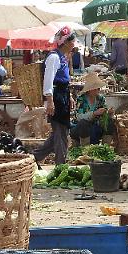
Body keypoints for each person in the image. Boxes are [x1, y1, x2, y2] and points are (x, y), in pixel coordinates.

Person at [34, 26, 75, 166]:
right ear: (66, 42)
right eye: (73, 41)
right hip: (56, 98)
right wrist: (50, 101)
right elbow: (49, 80)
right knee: (61, 133)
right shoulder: (53, 57)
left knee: (60, 132)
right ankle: (60, 166)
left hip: (62, 96)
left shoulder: (62, 57)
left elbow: (64, 81)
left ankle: (34, 157)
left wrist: (69, 97)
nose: (74, 44)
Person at [71, 73, 114, 146]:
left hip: (95, 128)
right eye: (95, 88)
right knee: (83, 123)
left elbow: (104, 113)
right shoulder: (81, 99)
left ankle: (105, 147)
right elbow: (78, 117)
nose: (97, 90)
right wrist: (94, 113)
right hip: (80, 130)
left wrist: (108, 113)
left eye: (98, 88)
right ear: (89, 89)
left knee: (110, 121)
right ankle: (86, 148)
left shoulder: (100, 99)